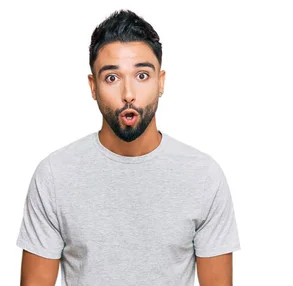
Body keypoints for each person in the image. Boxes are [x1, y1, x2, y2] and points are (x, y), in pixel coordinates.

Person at [16, 9, 241, 285]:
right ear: (93, 86)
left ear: (161, 81)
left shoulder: (204, 176)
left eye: (142, 76)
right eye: (112, 77)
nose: (128, 94)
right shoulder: (54, 176)